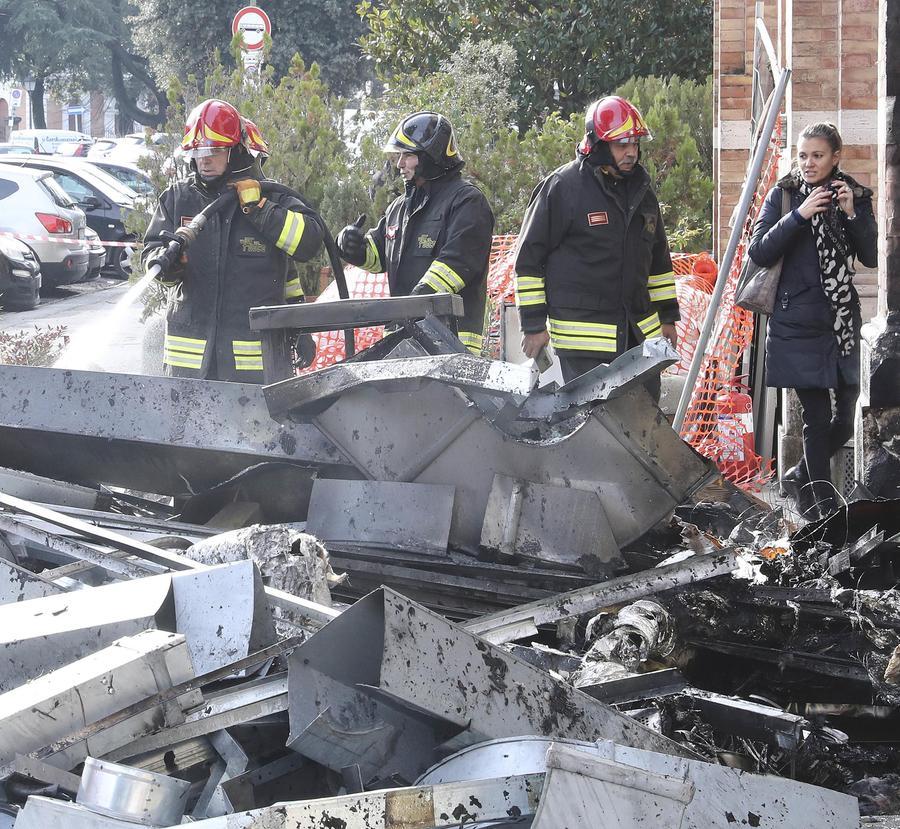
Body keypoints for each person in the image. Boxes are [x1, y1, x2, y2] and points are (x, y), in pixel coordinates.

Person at [142, 98, 322, 382]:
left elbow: (308, 244)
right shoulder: (178, 199)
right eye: (198, 150)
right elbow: (153, 253)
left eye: (214, 150)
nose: (204, 158)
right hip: (188, 370)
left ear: (237, 153)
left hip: (254, 372)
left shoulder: (270, 199)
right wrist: (167, 265)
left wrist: (260, 211)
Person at [748, 122, 877, 519]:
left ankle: (800, 476)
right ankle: (822, 511)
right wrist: (799, 216)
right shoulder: (784, 196)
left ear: (836, 157)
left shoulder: (852, 194)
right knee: (816, 418)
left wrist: (852, 213)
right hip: (796, 324)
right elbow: (759, 251)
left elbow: (872, 255)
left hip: (841, 324)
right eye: (802, 155)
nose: (808, 163)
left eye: (817, 156)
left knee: (851, 409)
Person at [514, 95, 679, 392]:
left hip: (641, 341)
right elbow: (528, 261)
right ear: (599, 145)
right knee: (594, 432)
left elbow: (659, 264)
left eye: (634, 144)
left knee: (642, 429)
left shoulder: (643, 192)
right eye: (621, 145)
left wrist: (668, 317)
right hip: (584, 348)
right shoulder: (563, 188)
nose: (631, 153)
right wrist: (533, 326)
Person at [335, 111, 494, 354]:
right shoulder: (400, 207)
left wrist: (407, 308)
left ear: (431, 156)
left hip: (450, 344)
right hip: (403, 340)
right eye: (399, 155)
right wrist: (353, 246)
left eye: (407, 155)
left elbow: (456, 265)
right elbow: (378, 255)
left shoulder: (467, 202)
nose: (399, 164)